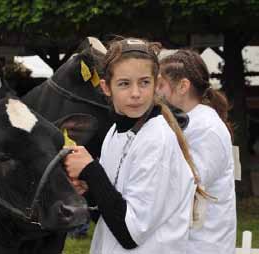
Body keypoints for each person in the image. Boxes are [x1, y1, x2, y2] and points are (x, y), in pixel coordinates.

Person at [64, 38, 198, 253]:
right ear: (106, 87)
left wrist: (91, 171)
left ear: (156, 84)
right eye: (124, 83)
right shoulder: (115, 132)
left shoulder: (157, 139)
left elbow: (130, 232)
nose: (136, 93)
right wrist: (89, 189)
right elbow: (111, 209)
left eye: (144, 82)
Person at [156, 49, 236, 254]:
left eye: (160, 85)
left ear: (183, 86)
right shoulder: (189, 122)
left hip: (202, 246)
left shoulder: (207, 128)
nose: (154, 92)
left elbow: (186, 187)